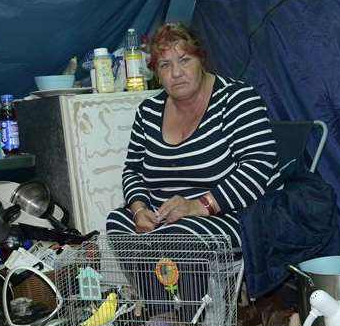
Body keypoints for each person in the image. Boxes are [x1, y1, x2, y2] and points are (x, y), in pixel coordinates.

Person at [106, 22, 280, 246]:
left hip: (232, 216)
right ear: (156, 73)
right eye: (165, 65)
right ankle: (155, 282)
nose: (176, 73)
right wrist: (140, 209)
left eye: (185, 60)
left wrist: (200, 206)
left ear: (201, 61)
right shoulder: (148, 112)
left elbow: (258, 166)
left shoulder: (238, 99)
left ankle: (172, 280)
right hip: (167, 221)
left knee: (178, 237)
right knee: (118, 222)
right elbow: (133, 170)